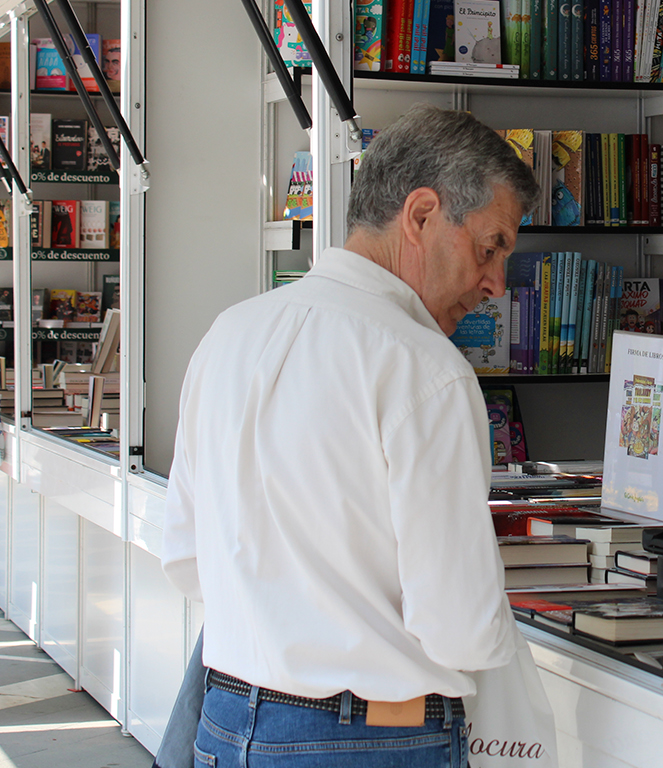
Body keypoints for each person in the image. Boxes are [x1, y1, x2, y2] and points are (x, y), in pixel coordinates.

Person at [158, 104, 540, 768]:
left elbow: (187, 559)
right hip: (372, 739)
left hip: (225, 726)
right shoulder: (428, 371)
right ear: (420, 216)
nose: (495, 284)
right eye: (489, 247)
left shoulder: (230, 335)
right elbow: (460, 631)